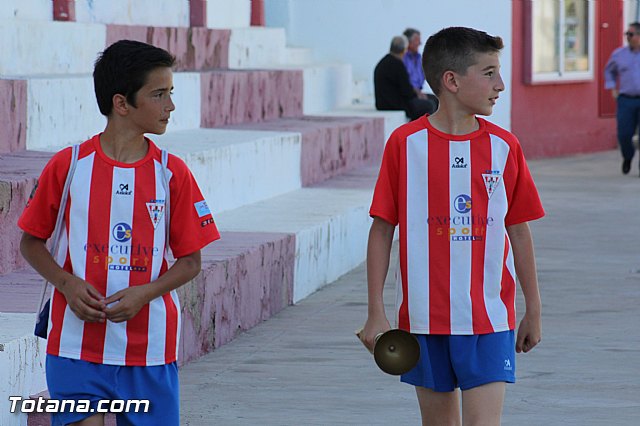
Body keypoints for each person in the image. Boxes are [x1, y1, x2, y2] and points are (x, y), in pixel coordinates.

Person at [18, 40, 220, 426]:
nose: (170, 106)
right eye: (159, 94)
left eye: (171, 93)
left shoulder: (171, 172)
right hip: (75, 345)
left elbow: (191, 261)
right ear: (122, 103)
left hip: (149, 349)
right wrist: (67, 284)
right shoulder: (70, 165)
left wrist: (145, 293)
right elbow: (30, 242)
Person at [362, 27, 544, 425]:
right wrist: (376, 311)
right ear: (452, 80)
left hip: (490, 318)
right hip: (423, 322)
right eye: (490, 72)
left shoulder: (505, 146)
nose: (500, 84)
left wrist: (533, 307)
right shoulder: (404, 144)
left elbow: (518, 229)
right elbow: (381, 229)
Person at [604, 22, 640, 176]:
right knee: (624, 134)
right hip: (626, 99)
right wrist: (612, 87)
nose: (628, 37)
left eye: (631, 34)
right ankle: (627, 156)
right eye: (627, 34)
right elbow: (609, 71)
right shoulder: (619, 54)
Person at [374, 35, 437, 121]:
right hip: (394, 104)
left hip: (383, 103)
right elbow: (407, 91)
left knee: (432, 99)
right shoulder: (397, 65)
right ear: (405, 49)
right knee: (430, 104)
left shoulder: (384, 62)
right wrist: (418, 95)